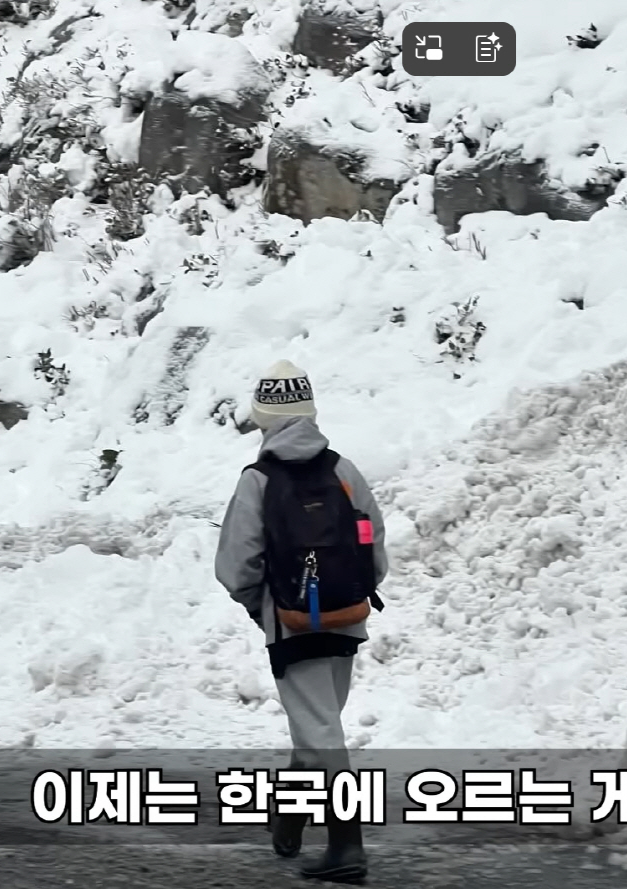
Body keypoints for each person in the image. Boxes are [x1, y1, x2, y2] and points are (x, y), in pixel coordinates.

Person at [215, 359, 388, 884]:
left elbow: (235, 566)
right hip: (347, 619)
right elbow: (374, 544)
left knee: (319, 731)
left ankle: (346, 847)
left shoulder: (259, 480)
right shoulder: (343, 471)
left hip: (293, 623)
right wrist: (356, 592)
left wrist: (259, 604)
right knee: (316, 724)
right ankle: (288, 823)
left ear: (265, 417)